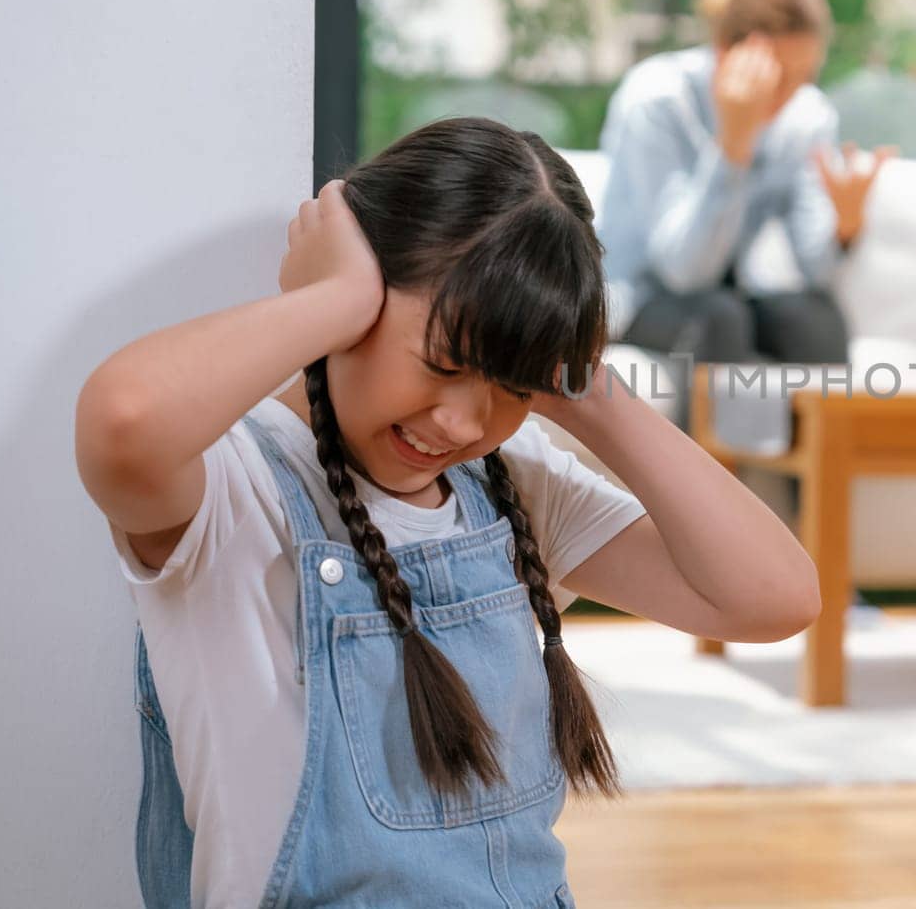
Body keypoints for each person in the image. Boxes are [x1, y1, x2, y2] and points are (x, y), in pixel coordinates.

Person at [75, 118, 820, 908]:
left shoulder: (512, 486)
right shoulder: (232, 492)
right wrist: (332, 299)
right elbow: (123, 423)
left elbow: (774, 599)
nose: (464, 424)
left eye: (510, 386)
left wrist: (597, 401)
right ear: (362, 301)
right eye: (442, 363)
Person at [596, 0, 892, 385]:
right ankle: (714, 456)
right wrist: (733, 147)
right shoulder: (657, 100)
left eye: (804, 76)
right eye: (777, 76)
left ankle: (818, 453)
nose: (789, 96)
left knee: (817, 321)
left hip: (731, 291)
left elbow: (815, 272)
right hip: (645, 294)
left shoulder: (806, 114)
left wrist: (845, 226)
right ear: (723, 50)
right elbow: (682, 271)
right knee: (719, 321)